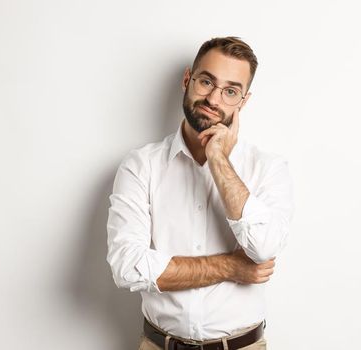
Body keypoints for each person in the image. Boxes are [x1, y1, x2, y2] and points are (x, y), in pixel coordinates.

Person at [106, 36, 293, 350]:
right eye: (207, 81)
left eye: (230, 91)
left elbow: (262, 249)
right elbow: (127, 266)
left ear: (243, 102)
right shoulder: (141, 166)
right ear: (187, 79)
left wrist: (218, 158)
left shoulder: (269, 168)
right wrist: (232, 266)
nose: (214, 99)